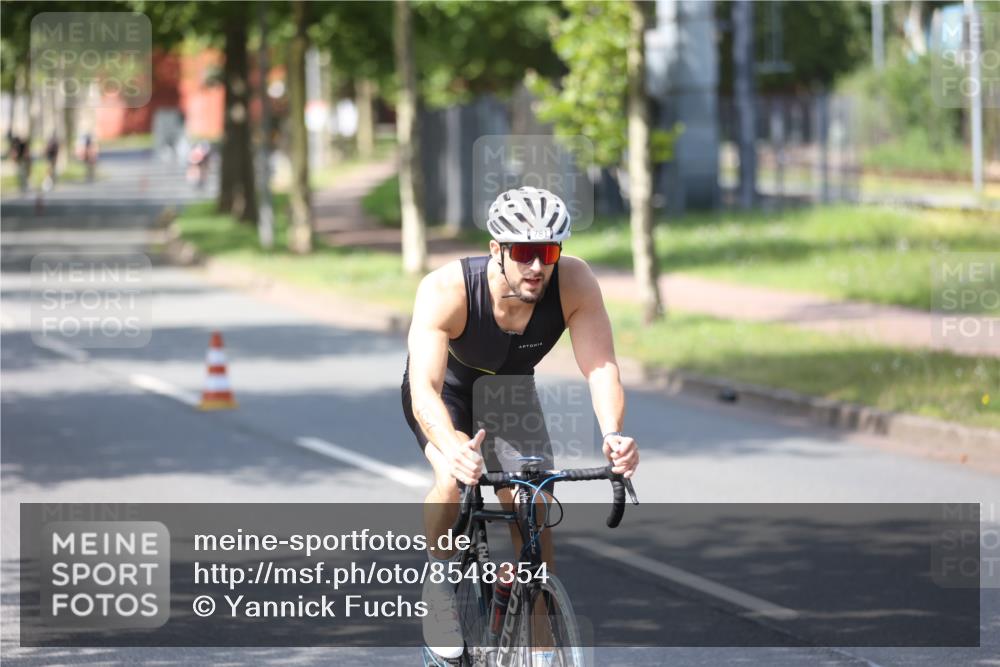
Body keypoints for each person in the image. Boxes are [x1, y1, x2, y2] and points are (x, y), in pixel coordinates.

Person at [401, 186, 639, 661]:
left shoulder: (573, 282)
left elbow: (600, 366)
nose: (537, 266)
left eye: (547, 252)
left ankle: (541, 647)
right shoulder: (447, 289)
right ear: (497, 250)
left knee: (533, 503)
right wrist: (453, 445)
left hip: (509, 395)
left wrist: (613, 434)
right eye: (525, 252)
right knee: (451, 477)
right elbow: (423, 388)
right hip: (446, 393)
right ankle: (442, 581)